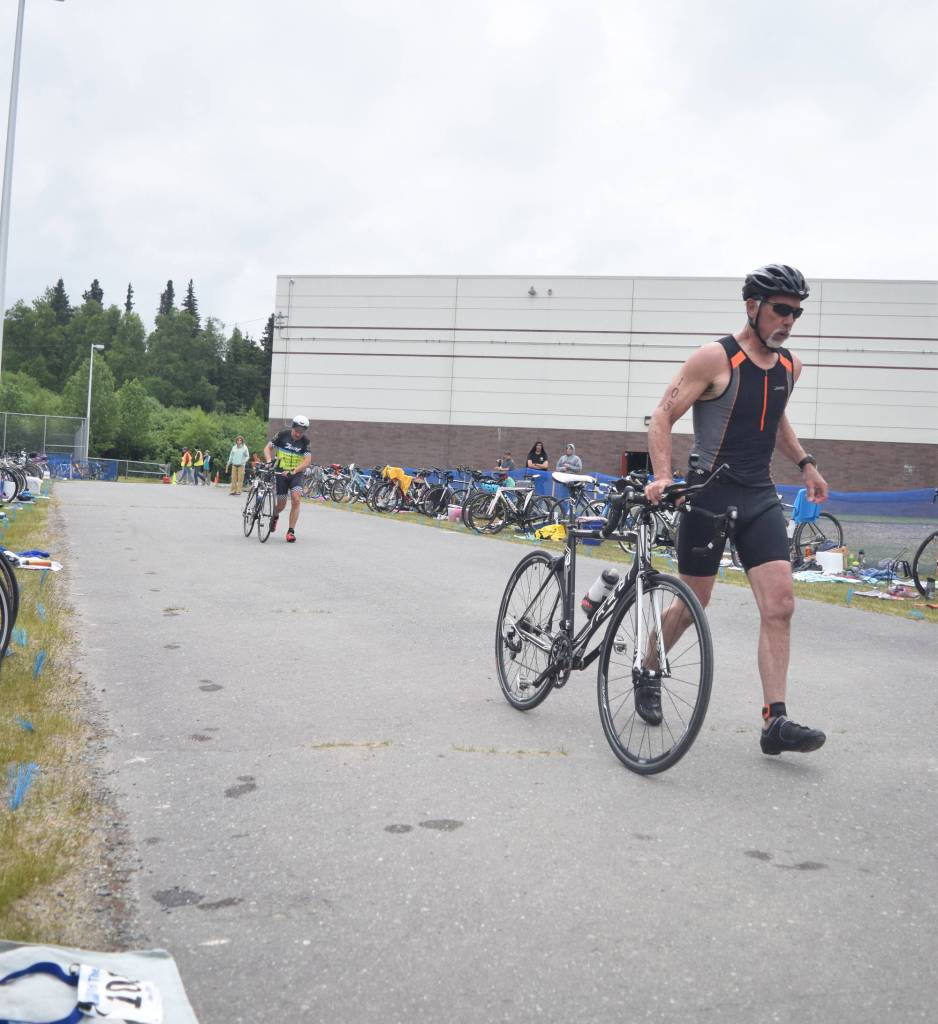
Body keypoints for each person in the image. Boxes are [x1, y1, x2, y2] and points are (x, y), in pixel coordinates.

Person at [644, 263, 829, 757]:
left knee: (780, 603)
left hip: (758, 496)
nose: (789, 320)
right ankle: (648, 668)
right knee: (693, 602)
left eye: (796, 313)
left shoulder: (790, 366)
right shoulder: (715, 358)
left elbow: (775, 418)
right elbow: (662, 415)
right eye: (781, 310)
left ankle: (775, 720)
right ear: (752, 306)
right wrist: (663, 476)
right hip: (708, 496)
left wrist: (806, 464)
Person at [263, 415, 312, 543]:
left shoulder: (305, 441)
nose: (298, 434)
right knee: (281, 504)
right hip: (280, 473)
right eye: (296, 431)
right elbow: (268, 448)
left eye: (301, 432)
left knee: (296, 499)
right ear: (292, 427)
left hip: (296, 474)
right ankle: (275, 515)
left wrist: (294, 471)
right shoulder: (282, 435)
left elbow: (307, 461)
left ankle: (291, 531)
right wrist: (269, 461)